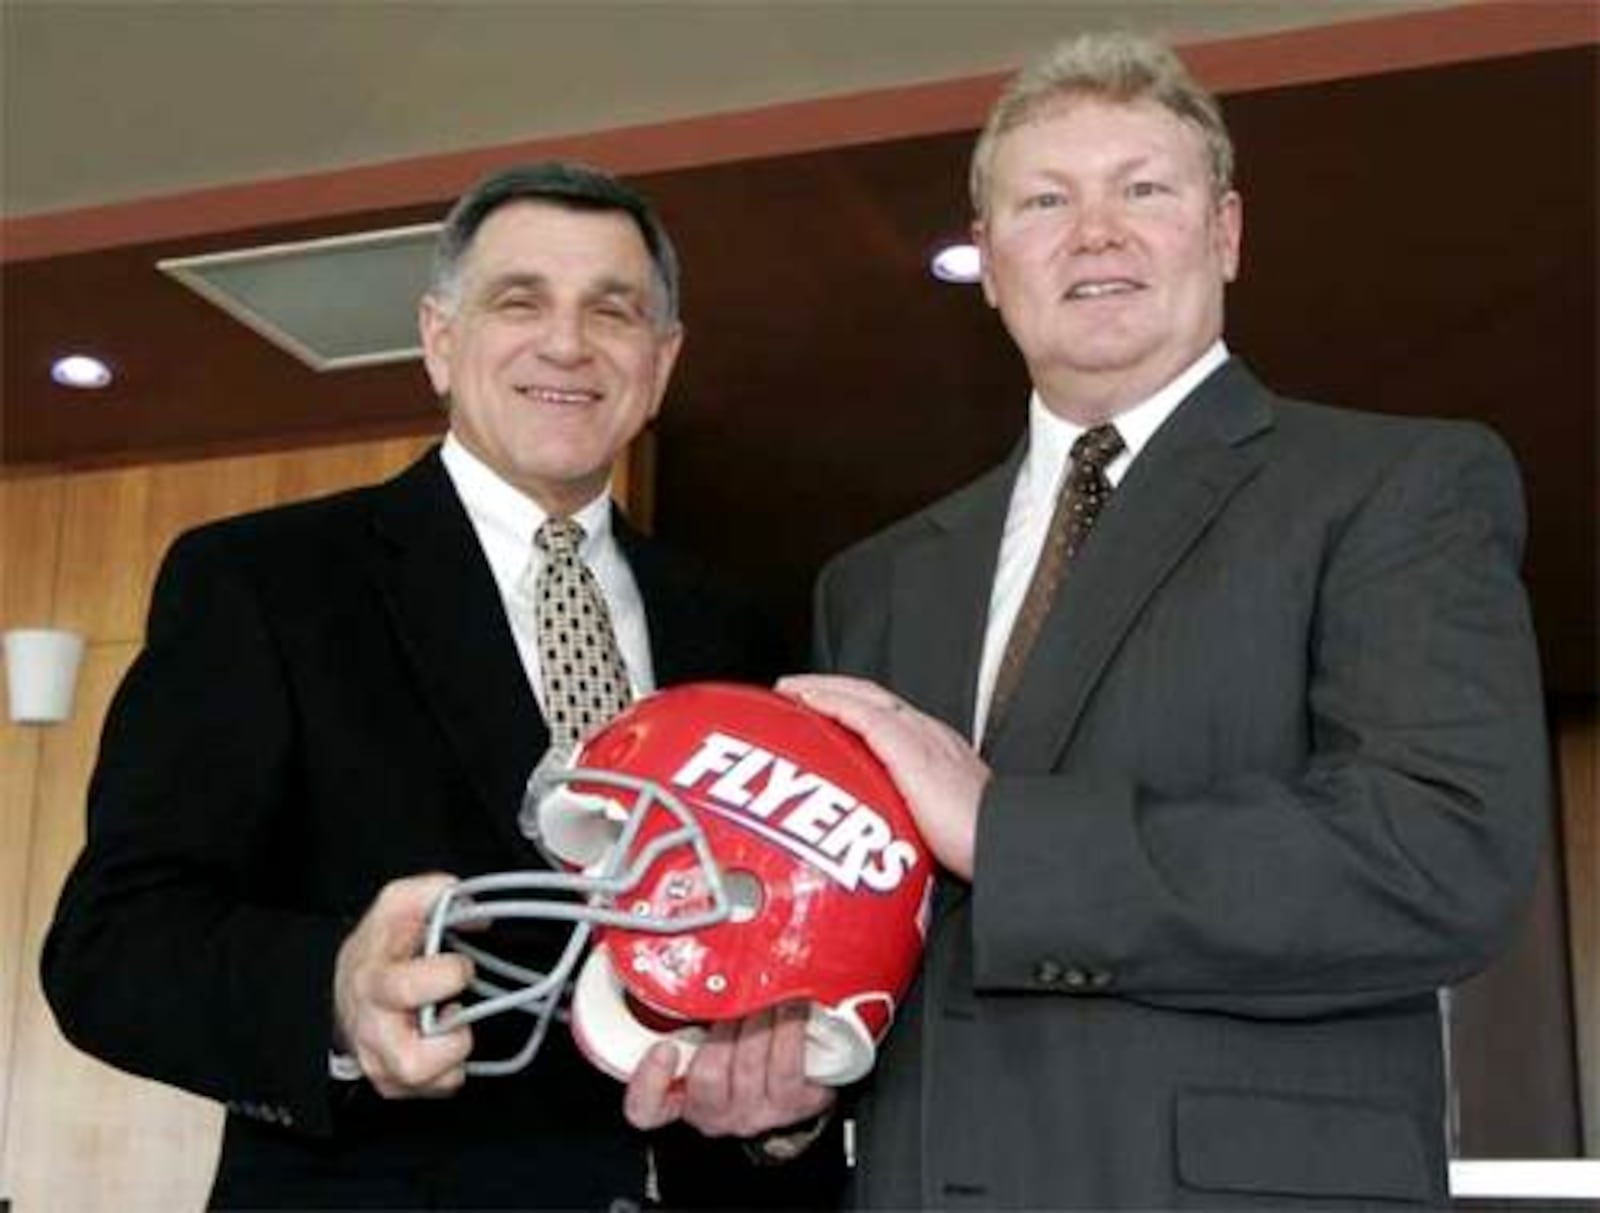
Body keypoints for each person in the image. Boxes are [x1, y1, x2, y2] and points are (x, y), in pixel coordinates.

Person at [780, 31, 1549, 1210]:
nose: (1096, 232)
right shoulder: (873, 583)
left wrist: (1007, 832)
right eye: (1045, 200)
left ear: (1225, 232)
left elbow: (1437, 855)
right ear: (988, 262)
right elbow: (868, 941)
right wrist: (786, 1090)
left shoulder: (1399, 486)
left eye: (1143, 188)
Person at [42, 162, 839, 1210]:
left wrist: (787, 1119)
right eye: (520, 301)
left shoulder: (743, 630)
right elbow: (112, 944)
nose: (567, 342)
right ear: (438, 338)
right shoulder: (264, 582)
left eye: (614, 310)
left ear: (662, 358)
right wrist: (330, 991)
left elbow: (787, 952)